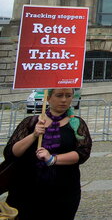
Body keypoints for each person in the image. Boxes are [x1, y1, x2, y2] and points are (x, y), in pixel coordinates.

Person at [3, 88, 92, 219]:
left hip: (63, 190)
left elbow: (83, 153)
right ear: (48, 98)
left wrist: (53, 159)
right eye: (59, 95)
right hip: (27, 190)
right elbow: (11, 152)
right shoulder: (31, 122)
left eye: (68, 96)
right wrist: (34, 135)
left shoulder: (77, 124)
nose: (64, 100)